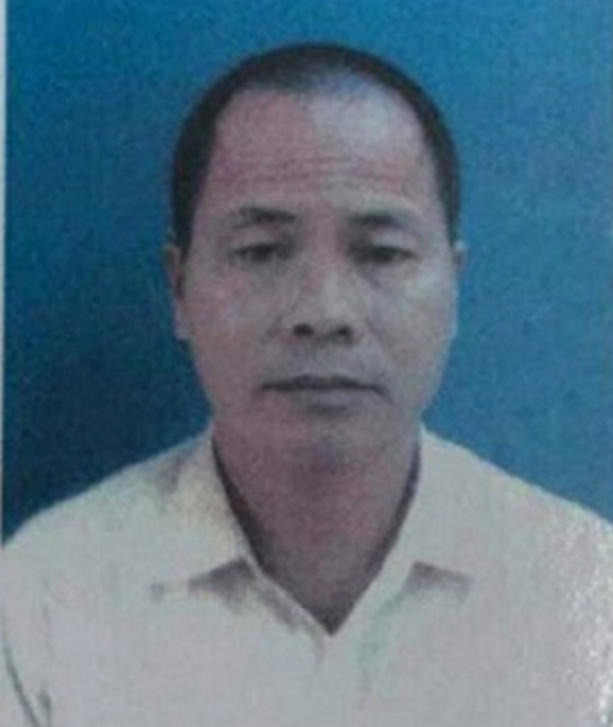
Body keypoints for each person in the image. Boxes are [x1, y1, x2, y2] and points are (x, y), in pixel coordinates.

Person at [2, 43, 613, 727]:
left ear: (454, 288)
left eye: (382, 253)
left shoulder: (586, 591)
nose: (323, 311)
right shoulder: (42, 600)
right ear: (179, 290)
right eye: (260, 251)